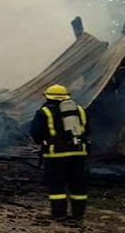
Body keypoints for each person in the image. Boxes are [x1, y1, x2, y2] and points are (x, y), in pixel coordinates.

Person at [30, 84, 90, 220]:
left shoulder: (44, 112)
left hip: (56, 155)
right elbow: (87, 131)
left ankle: (59, 214)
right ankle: (78, 215)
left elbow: (36, 133)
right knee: (78, 184)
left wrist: (44, 141)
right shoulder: (80, 110)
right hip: (79, 154)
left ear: (48, 97)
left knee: (57, 185)